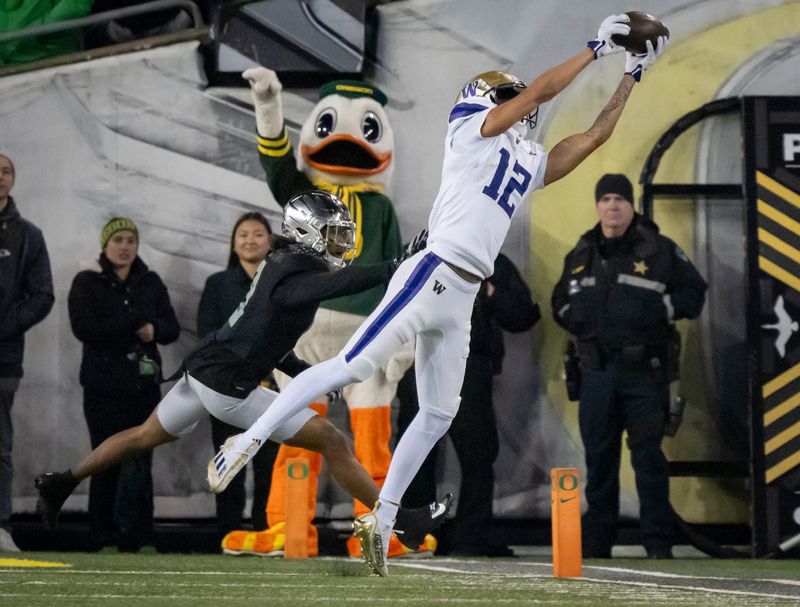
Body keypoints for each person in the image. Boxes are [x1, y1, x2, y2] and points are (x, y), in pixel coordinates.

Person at [208, 15, 667, 575]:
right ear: (490, 99)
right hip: (431, 272)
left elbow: (593, 136)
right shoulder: (470, 130)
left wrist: (632, 75)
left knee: (438, 411)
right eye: (514, 96)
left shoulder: (524, 159)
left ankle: (383, 517)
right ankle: (247, 441)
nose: (528, 103)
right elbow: (544, 90)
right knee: (354, 366)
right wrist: (596, 48)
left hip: (464, 294)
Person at [35, 191, 443, 551]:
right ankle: (399, 520)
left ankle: (62, 481)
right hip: (229, 385)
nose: (342, 242)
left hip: (205, 369)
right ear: (308, 234)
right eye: (333, 233)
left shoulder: (284, 263)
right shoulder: (299, 270)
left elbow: (263, 331)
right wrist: (395, 263)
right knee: (331, 439)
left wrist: (300, 367)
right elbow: (331, 288)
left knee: (144, 436)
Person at [551, 174, 707, 559]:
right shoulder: (582, 252)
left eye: (620, 198)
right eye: (605, 198)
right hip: (596, 375)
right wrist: (576, 318)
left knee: (649, 461)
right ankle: (596, 546)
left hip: (644, 374)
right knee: (599, 464)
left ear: (631, 204)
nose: (612, 206)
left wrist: (660, 312)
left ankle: (657, 545)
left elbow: (694, 293)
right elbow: (559, 302)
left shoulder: (658, 249)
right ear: (597, 206)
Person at [396, 252, 540, 557]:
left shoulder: (492, 261)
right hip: (418, 361)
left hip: (470, 365)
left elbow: (522, 315)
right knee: (416, 453)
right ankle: (415, 536)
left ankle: (471, 538)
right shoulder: (420, 252)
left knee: (478, 453)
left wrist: (490, 292)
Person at [67, 216, 180, 551]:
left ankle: (139, 534)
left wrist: (153, 332)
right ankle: (101, 533)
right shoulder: (87, 282)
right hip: (103, 389)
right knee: (104, 458)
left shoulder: (151, 281)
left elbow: (171, 328)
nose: (124, 247)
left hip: (144, 388)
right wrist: (134, 321)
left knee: (141, 460)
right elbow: (85, 329)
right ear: (105, 245)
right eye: (118, 240)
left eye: (130, 240)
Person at [197, 212, 279, 537]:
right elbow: (207, 333)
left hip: (274, 387)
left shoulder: (280, 282)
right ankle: (228, 534)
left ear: (270, 242)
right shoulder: (217, 284)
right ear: (233, 243)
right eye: (243, 234)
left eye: (258, 234)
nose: (250, 240)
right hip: (228, 387)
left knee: (269, 467)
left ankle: (265, 531)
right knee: (229, 463)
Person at [0, 153, 54, 552]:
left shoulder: (28, 236)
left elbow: (42, 296)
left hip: (3, 358)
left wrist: (4, 326)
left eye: (5, 171)